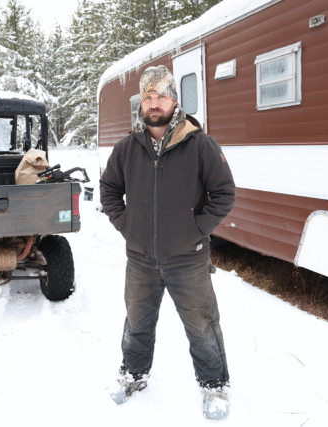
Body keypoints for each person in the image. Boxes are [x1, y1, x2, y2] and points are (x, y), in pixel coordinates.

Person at [99, 65, 236, 420]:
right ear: (141, 105)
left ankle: (214, 385)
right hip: (141, 259)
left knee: (202, 325)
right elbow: (110, 190)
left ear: (174, 100)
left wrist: (196, 229)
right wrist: (127, 225)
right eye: (148, 96)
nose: (154, 103)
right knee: (137, 323)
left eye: (160, 95)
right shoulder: (128, 148)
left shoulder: (199, 144)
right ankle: (133, 376)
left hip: (187, 259)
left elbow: (224, 193)